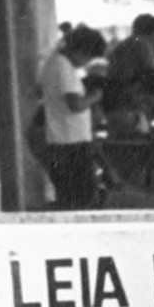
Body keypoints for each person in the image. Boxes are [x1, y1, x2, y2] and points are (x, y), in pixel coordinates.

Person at [35, 24, 106, 208]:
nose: (85, 63)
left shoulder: (53, 62)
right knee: (83, 198)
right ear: (81, 50)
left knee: (70, 197)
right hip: (71, 142)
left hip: (61, 140)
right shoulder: (63, 66)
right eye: (88, 57)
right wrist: (95, 96)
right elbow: (75, 104)